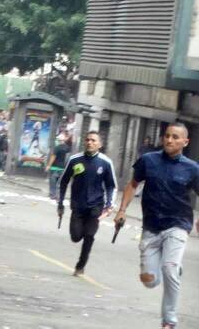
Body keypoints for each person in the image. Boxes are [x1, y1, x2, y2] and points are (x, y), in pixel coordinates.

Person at [114, 123, 199, 329]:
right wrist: (122, 210)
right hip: (151, 226)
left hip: (178, 224)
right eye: (167, 136)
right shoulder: (148, 160)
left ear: (185, 142)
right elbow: (133, 184)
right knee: (149, 280)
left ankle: (169, 320)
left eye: (175, 137)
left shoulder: (192, 168)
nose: (170, 140)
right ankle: (169, 270)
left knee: (169, 269)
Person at [56, 131, 116, 277]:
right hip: (78, 205)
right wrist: (61, 203)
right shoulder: (75, 160)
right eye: (87, 140)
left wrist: (109, 204)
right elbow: (63, 181)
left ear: (100, 144)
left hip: (96, 205)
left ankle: (80, 266)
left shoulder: (106, 162)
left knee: (89, 235)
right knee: (76, 236)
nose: (90, 142)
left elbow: (111, 185)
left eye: (93, 140)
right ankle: (80, 232)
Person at [47, 133, 72, 201]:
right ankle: (58, 196)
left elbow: (53, 157)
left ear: (59, 140)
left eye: (57, 140)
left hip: (54, 167)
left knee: (53, 182)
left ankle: (52, 195)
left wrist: (49, 165)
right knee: (60, 183)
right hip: (63, 168)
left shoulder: (57, 148)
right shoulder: (68, 148)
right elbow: (68, 158)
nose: (57, 141)